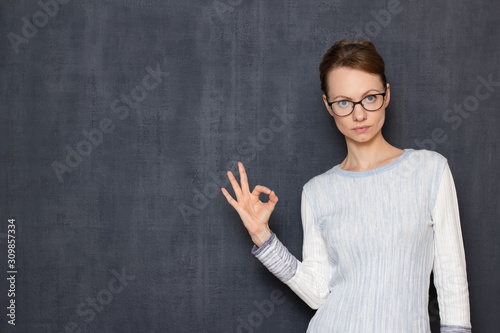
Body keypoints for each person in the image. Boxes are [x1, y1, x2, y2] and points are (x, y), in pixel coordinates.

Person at [220, 40, 472, 332]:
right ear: (328, 105)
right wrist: (262, 235)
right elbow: (317, 293)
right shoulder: (317, 192)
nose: (359, 114)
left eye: (369, 98)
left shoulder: (430, 170)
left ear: (386, 95)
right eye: (344, 102)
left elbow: (452, 280)